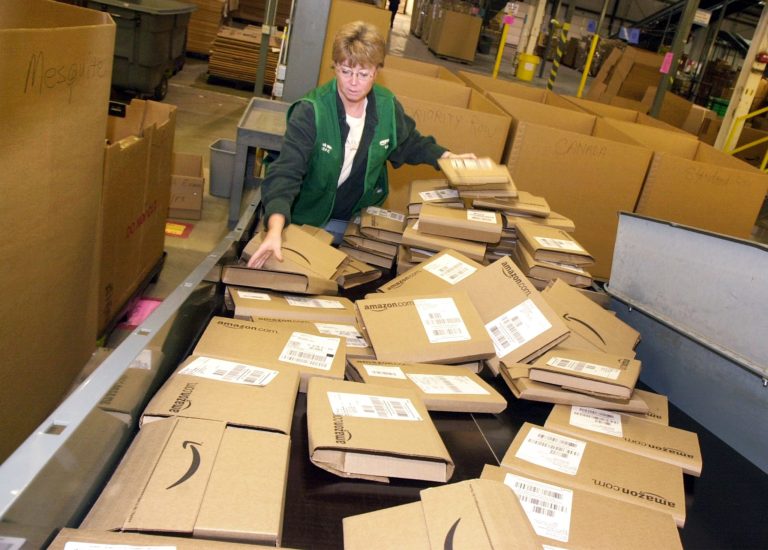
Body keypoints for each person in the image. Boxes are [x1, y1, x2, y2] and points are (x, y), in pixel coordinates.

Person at [247, 20, 475, 269]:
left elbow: (409, 143)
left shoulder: (387, 106)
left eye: (363, 74)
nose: (353, 83)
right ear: (334, 67)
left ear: (377, 72)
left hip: (356, 222)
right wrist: (275, 230)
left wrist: (447, 156)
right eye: (346, 71)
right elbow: (286, 172)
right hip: (307, 220)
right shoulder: (312, 111)